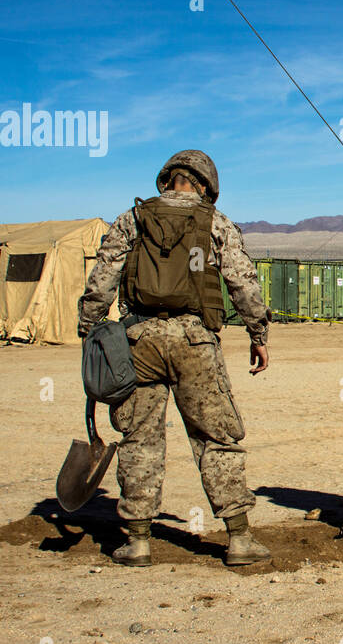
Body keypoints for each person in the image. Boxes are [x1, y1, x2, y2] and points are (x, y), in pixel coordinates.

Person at [77, 150, 272, 567]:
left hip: (138, 342)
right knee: (215, 436)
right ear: (206, 186)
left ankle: (138, 541)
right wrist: (258, 333)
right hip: (194, 340)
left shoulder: (131, 219)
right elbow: (242, 282)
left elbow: (103, 279)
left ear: (168, 179)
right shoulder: (215, 222)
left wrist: (89, 326)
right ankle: (239, 540)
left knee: (139, 438)